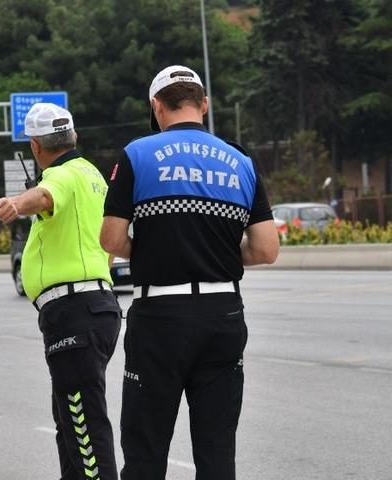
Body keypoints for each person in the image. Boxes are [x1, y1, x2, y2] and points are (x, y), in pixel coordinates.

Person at [100, 65, 280, 480]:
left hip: (160, 317)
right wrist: (217, 253)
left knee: (146, 449)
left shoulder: (137, 154)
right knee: (217, 453)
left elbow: (110, 239)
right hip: (223, 314)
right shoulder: (241, 161)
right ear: (204, 105)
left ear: (157, 107)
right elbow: (267, 250)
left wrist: (150, 249)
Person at [0, 103, 122, 480]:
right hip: (95, 305)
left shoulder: (63, 175)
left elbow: (45, 195)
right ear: (74, 136)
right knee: (69, 422)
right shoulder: (93, 176)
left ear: (35, 146)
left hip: (74, 311)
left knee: (83, 427)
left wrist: (16, 202)